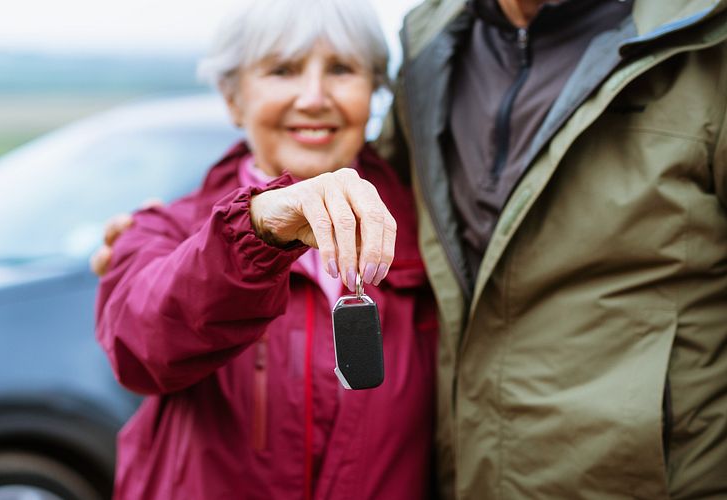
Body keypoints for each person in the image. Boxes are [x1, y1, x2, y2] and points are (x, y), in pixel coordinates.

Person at [375, 0, 727, 497]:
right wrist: (254, 208)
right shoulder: (429, 42)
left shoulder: (705, 34)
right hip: (460, 474)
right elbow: (375, 207)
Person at [94, 0, 439, 498]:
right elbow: (138, 348)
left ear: (374, 93)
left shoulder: (428, 233)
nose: (315, 97)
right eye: (282, 70)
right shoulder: (167, 230)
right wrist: (255, 232)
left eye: (342, 69)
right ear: (234, 99)